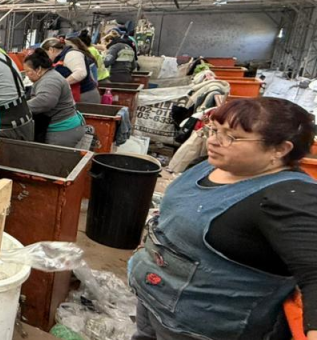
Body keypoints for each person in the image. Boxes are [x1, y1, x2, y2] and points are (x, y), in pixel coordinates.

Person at [129, 97, 317, 340]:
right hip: (154, 300)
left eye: (231, 136)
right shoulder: (213, 165)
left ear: (280, 149)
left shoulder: (289, 199)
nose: (213, 140)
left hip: (199, 329)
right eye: (214, 129)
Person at [22, 47, 86, 148]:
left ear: (38, 69)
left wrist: (18, 109)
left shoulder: (50, 80)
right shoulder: (47, 76)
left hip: (62, 131)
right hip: (63, 127)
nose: (27, 75)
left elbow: (44, 102)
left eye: (27, 71)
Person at [44, 37, 100, 104]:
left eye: (46, 54)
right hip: (75, 96)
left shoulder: (72, 54)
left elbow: (80, 73)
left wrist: (61, 84)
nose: (46, 58)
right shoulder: (60, 58)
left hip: (84, 96)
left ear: (51, 50)